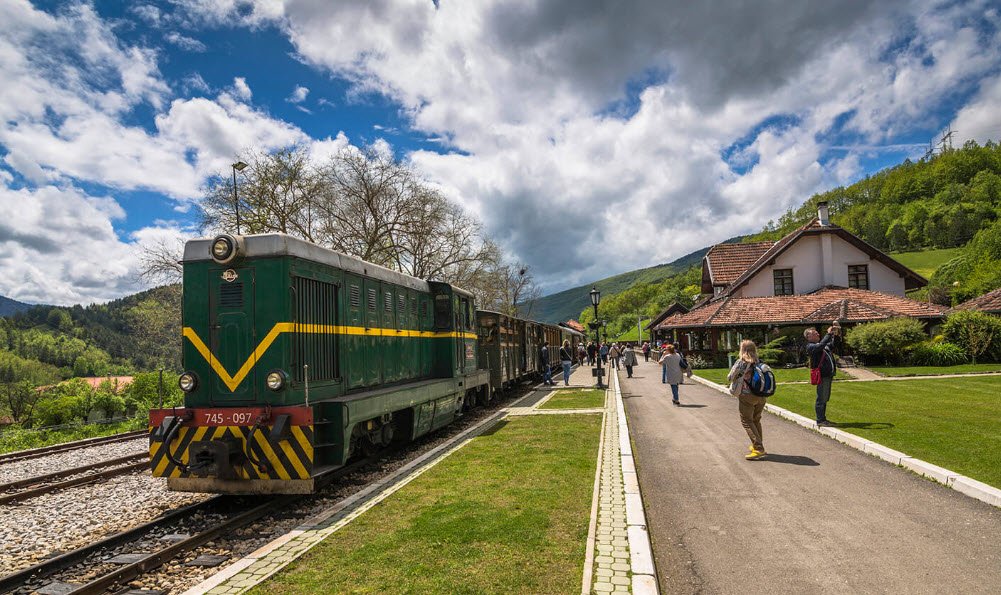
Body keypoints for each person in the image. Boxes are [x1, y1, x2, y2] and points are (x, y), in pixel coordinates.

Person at [728, 339, 767, 460]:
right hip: (761, 395)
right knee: (756, 420)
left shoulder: (741, 362)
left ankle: (758, 448)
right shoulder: (759, 362)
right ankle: (759, 445)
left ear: (742, 350)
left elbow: (730, 377)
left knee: (746, 421)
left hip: (747, 395)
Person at [805, 324, 839, 426]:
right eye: (815, 333)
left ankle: (823, 419)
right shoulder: (811, 347)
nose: (818, 334)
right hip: (822, 375)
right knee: (821, 398)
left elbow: (834, 344)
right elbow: (820, 346)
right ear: (809, 337)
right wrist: (828, 334)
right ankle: (820, 420)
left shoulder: (823, 345)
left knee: (825, 397)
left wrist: (836, 334)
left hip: (827, 375)